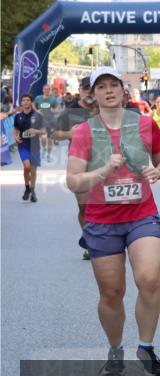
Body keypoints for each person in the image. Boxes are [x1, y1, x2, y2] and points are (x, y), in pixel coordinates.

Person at [66, 67, 160, 376]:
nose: (109, 90)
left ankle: (146, 346)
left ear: (124, 92)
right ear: (92, 94)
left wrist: (158, 172)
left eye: (114, 85)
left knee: (149, 278)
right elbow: (73, 181)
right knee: (112, 292)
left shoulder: (144, 124)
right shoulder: (84, 132)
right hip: (102, 221)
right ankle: (115, 350)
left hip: (142, 215)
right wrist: (101, 171)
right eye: (102, 86)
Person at [53, 78, 100, 258]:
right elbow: (55, 134)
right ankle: (89, 241)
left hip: (105, 161)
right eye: (85, 88)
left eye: (92, 88)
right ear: (80, 90)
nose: (89, 91)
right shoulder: (71, 110)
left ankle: (105, 239)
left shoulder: (105, 107)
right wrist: (69, 133)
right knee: (85, 208)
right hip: (79, 163)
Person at [13, 94, 43, 202]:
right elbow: (15, 129)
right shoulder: (18, 116)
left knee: (33, 170)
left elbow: (43, 131)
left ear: (31, 102)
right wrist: (16, 137)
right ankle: (27, 188)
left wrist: (35, 131)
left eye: (28, 100)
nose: (25, 102)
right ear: (21, 103)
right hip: (23, 144)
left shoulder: (37, 116)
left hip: (34, 145)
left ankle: (33, 190)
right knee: (27, 167)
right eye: (23, 100)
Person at [34, 84, 60, 162]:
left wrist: (55, 110)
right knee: (43, 137)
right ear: (43, 90)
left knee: (50, 139)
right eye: (45, 89)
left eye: (48, 89)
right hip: (41, 121)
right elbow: (33, 104)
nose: (46, 90)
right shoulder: (38, 98)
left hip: (51, 121)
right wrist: (36, 110)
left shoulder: (53, 99)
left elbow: (58, 108)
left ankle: (48, 155)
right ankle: (44, 149)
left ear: (50, 90)